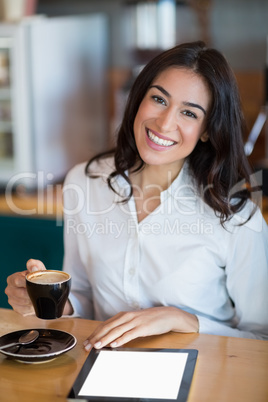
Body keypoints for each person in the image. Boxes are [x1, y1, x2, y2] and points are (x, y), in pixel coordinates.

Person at [5, 41, 268, 348]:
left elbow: (261, 336)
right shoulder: (85, 182)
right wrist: (47, 300)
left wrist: (181, 320)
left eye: (189, 113)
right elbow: (85, 297)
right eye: (159, 99)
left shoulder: (236, 215)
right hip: (104, 370)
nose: (165, 123)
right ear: (138, 98)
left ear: (207, 130)